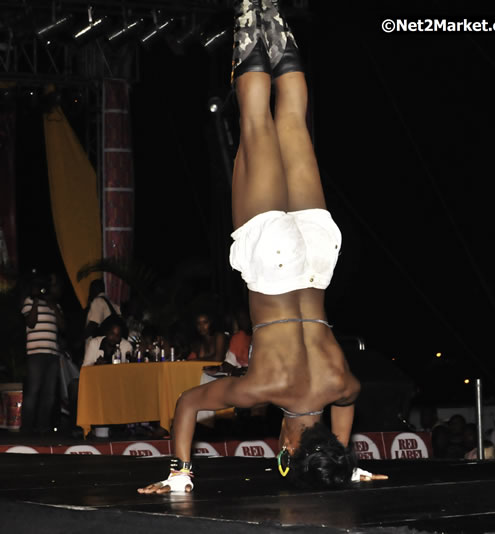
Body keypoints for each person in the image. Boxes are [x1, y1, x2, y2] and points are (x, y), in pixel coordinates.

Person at [139, 1, 384, 494]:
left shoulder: (341, 384)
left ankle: (274, 19)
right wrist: (180, 476)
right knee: (256, 124)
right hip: (274, 264)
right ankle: (250, 11)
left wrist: (347, 463)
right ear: (290, 449)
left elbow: (347, 408)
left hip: (317, 261)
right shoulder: (267, 390)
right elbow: (188, 402)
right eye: (283, 451)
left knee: (292, 121)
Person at [20, 272, 66, 434]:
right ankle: (26, 428)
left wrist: (53, 307)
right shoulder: (29, 302)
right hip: (35, 354)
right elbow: (31, 323)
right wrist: (36, 302)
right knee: (33, 391)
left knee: (49, 394)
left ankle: (43, 427)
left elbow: (62, 327)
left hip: (52, 355)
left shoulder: (55, 306)